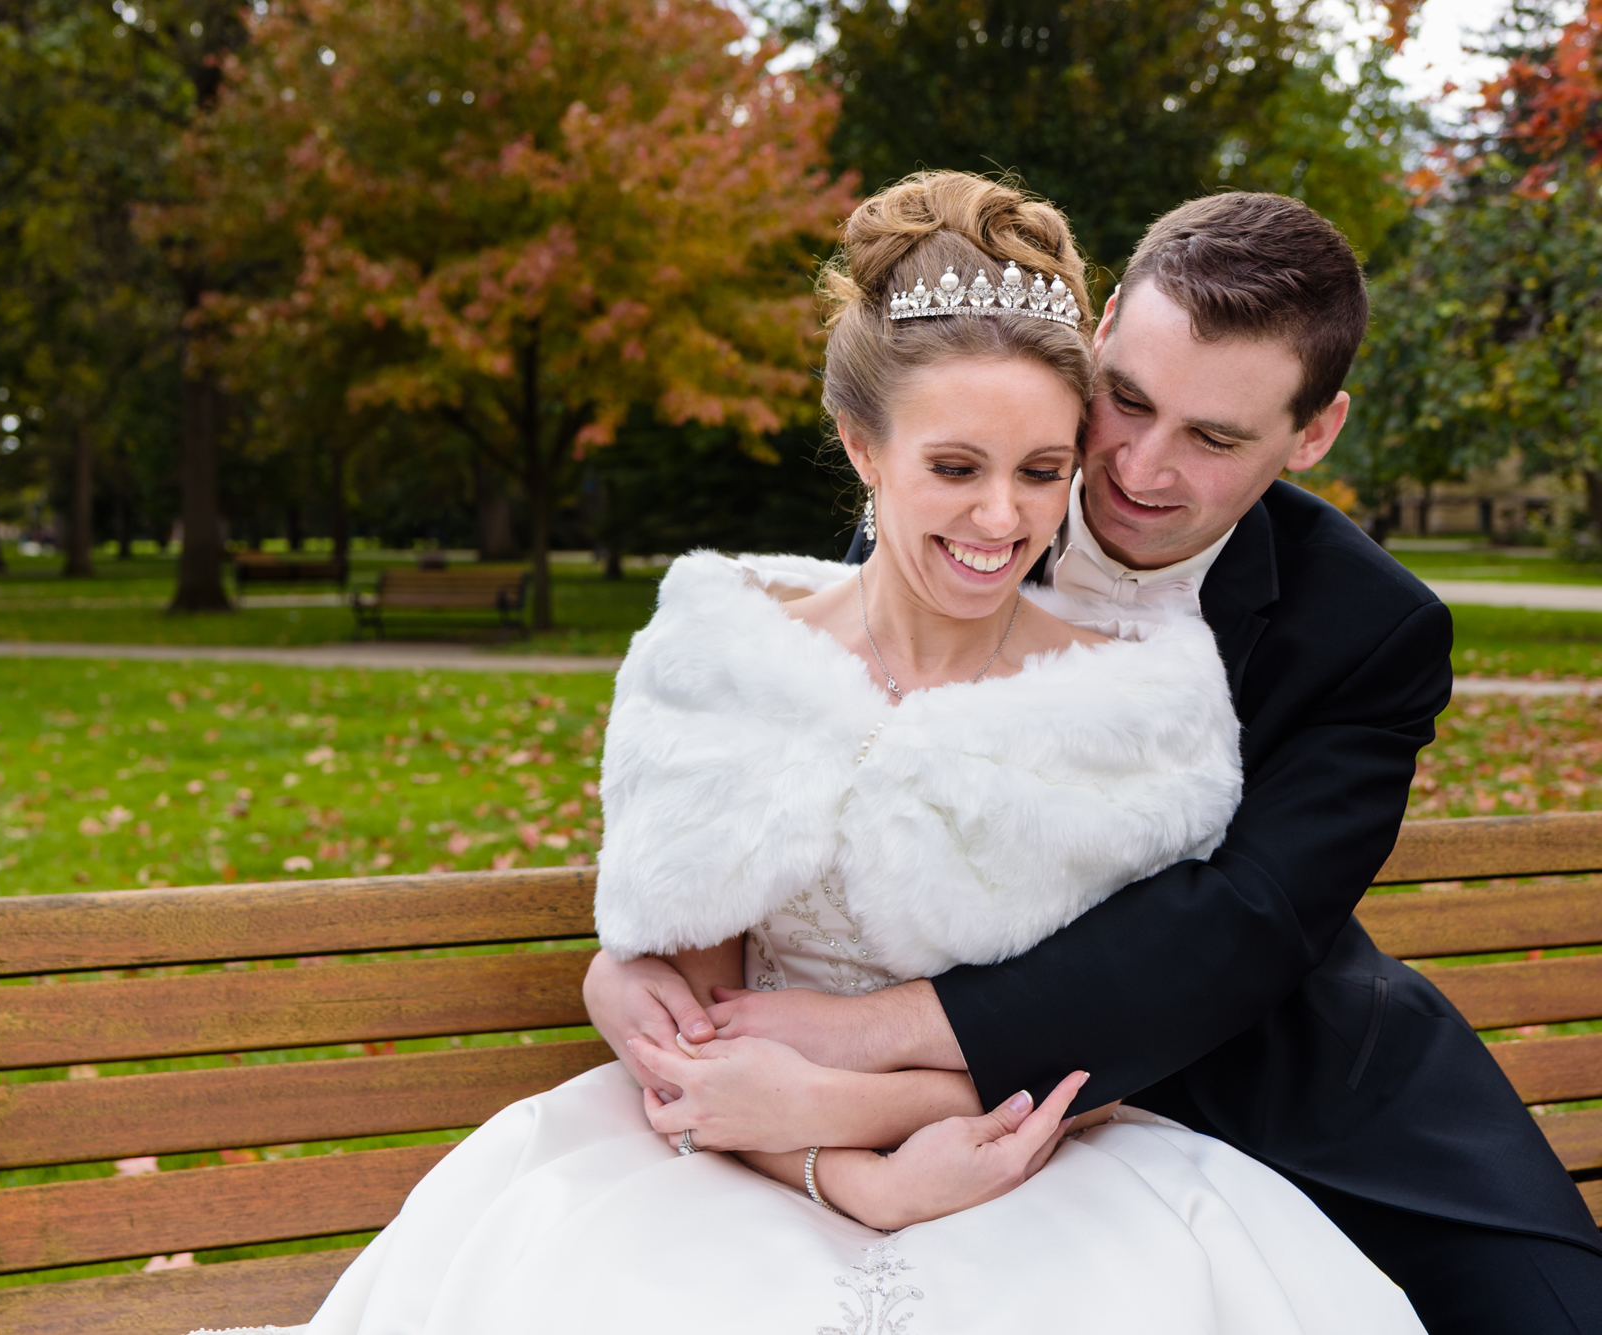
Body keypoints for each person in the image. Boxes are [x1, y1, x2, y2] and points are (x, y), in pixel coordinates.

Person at [218, 173, 1428, 1335]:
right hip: (719, 1160)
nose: (1003, 518)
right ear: (861, 449)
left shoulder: (1147, 704)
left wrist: (849, 1106)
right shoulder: (733, 653)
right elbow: (685, 1007)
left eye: (1041, 472)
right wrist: (835, 1168)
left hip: (1034, 1151)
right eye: (954, 468)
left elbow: (1130, 1010)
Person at [584, 188, 1602, 1331]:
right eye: (1124, 404)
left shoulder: (1369, 630)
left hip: (1269, 1072)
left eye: (1213, 439)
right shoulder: (959, 494)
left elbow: (1239, 924)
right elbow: (813, 779)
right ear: (1103, 327)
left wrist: (864, 1041)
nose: (1138, 470)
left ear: (1310, 435)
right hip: (938, 1120)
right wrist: (633, 966)